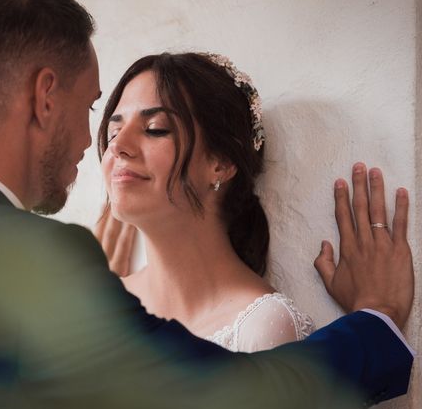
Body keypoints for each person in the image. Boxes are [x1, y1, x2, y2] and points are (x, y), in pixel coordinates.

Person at [0, 0, 414, 409]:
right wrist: (375, 322)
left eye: (152, 126)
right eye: (94, 109)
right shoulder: (37, 258)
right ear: (44, 96)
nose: (99, 146)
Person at [95, 52, 314, 352]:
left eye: (155, 128)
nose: (118, 146)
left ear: (221, 162)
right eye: (114, 131)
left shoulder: (262, 329)